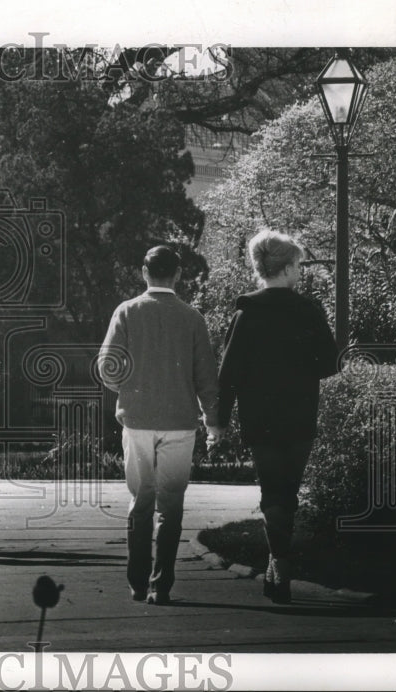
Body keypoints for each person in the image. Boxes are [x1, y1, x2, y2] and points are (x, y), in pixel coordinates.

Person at [218, 230, 338, 604]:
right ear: (286, 268)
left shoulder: (246, 312)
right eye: (298, 265)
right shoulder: (308, 311)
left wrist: (218, 420)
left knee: (272, 490)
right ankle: (279, 561)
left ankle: (278, 563)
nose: (300, 272)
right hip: (300, 412)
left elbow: (229, 373)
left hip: (261, 416)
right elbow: (331, 362)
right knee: (289, 490)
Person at [98, 246, 222, 606]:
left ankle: (137, 582)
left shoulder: (127, 312)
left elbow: (108, 366)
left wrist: (130, 388)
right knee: (171, 505)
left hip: (137, 420)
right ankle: (160, 584)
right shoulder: (192, 317)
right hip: (180, 424)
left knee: (140, 501)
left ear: (144, 272)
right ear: (178, 275)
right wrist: (212, 421)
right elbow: (206, 377)